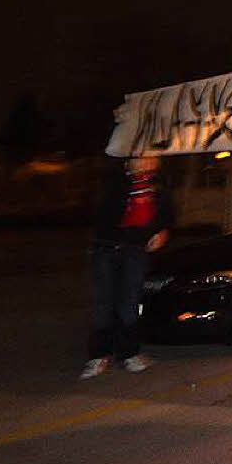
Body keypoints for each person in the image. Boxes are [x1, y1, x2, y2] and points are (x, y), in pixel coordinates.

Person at [81, 155, 173, 379]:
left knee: (130, 303)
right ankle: (99, 355)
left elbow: (167, 215)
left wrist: (162, 231)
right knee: (103, 303)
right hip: (106, 248)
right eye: (141, 158)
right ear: (128, 160)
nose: (146, 162)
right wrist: (132, 181)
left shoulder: (159, 185)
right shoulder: (115, 180)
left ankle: (129, 353)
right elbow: (102, 210)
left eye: (151, 158)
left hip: (135, 250)